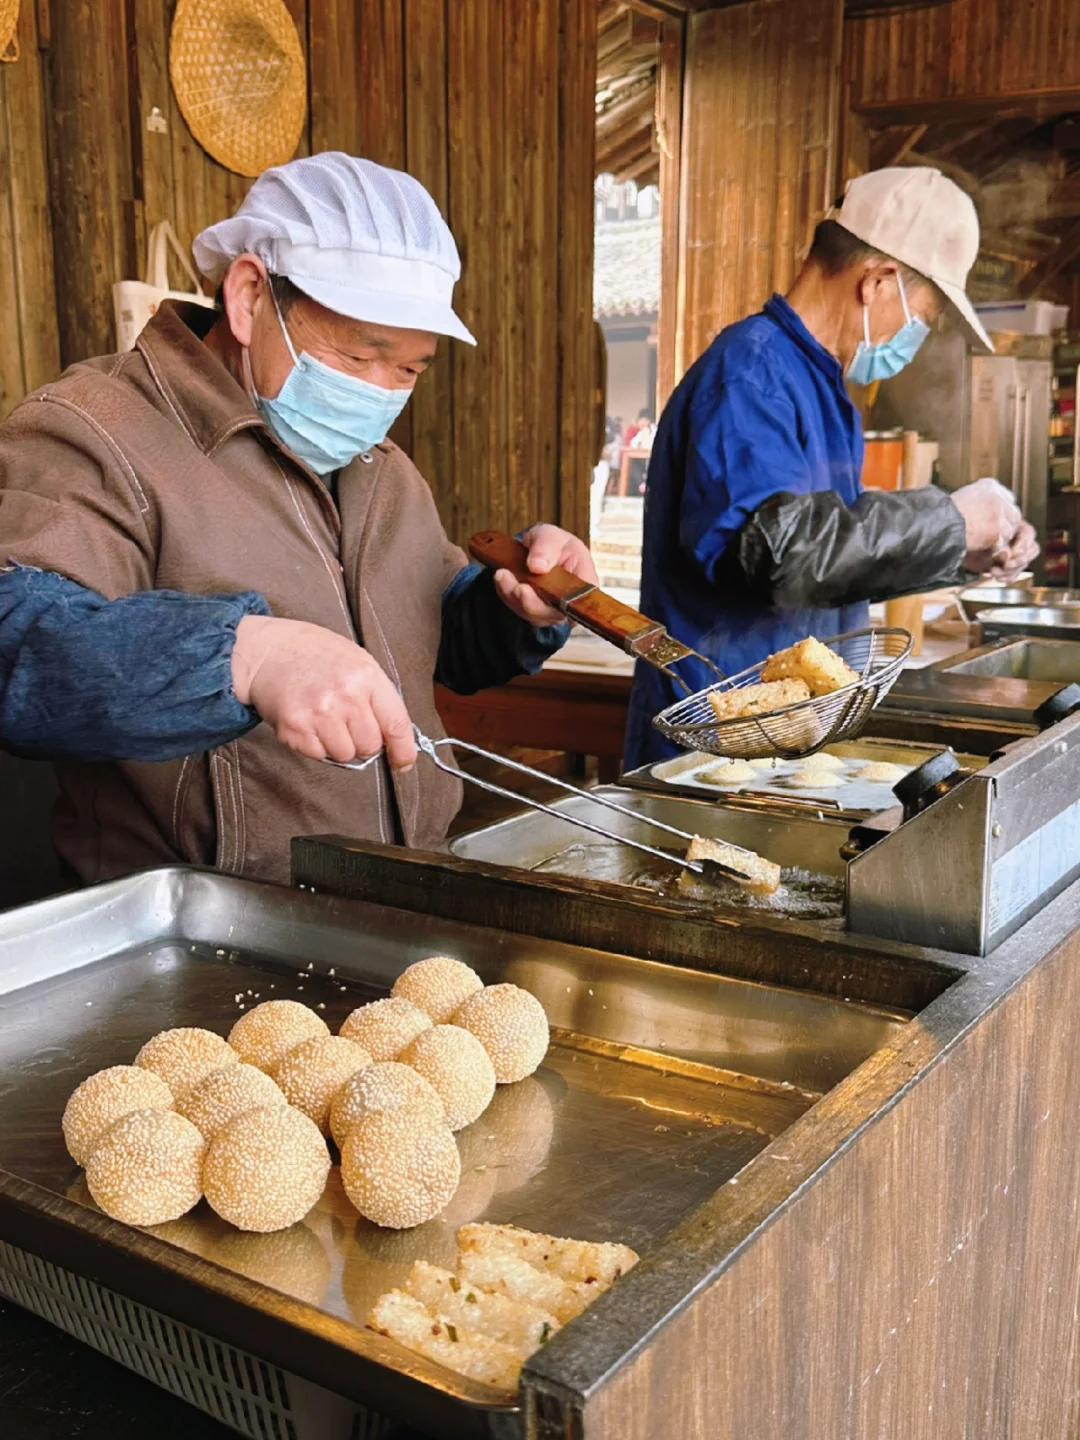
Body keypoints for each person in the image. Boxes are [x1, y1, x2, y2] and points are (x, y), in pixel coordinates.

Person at [0, 152, 597, 885]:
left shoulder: (382, 471)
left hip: (394, 900)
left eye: (409, 369)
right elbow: (17, 639)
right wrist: (241, 657)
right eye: (361, 354)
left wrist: (514, 608)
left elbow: (433, 641)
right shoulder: (96, 431)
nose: (382, 392)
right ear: (250, 296)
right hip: (201, 939)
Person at [625, 167, 1039, 768]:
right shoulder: (750, 373)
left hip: (789, 732)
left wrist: (957, 552)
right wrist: (948, 519)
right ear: (877, 282)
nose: (916, 340)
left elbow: (833, 553)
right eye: (922, 319)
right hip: (721, 736)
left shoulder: (823, 388)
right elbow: (780, 552)